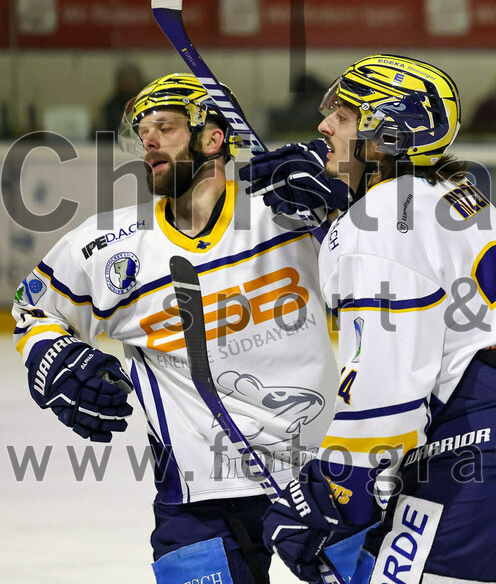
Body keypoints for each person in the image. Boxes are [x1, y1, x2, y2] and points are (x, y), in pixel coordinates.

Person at [251, 54, 496, 583]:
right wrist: (340, 209)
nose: (323, 125)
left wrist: (337, 488)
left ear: (384, 130)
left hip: (478, 472)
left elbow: (387, 378)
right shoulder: (461, 196)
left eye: (344, 116)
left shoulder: (375, 222)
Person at [12, 73, 341, 584]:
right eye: (142, 131)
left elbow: (399, 267)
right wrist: (50, 357)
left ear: (213, 138)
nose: (148, 140)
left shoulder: (289, 211)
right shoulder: (111, 246)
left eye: (164, 126)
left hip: (324, 476)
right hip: (197, 498)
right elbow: (33, 309)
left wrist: (344, 200)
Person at [96, 60, 143, 134]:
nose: (128, 86)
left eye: (132, 81)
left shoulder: (147, 103)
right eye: (125, 81)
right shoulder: (112, 107)